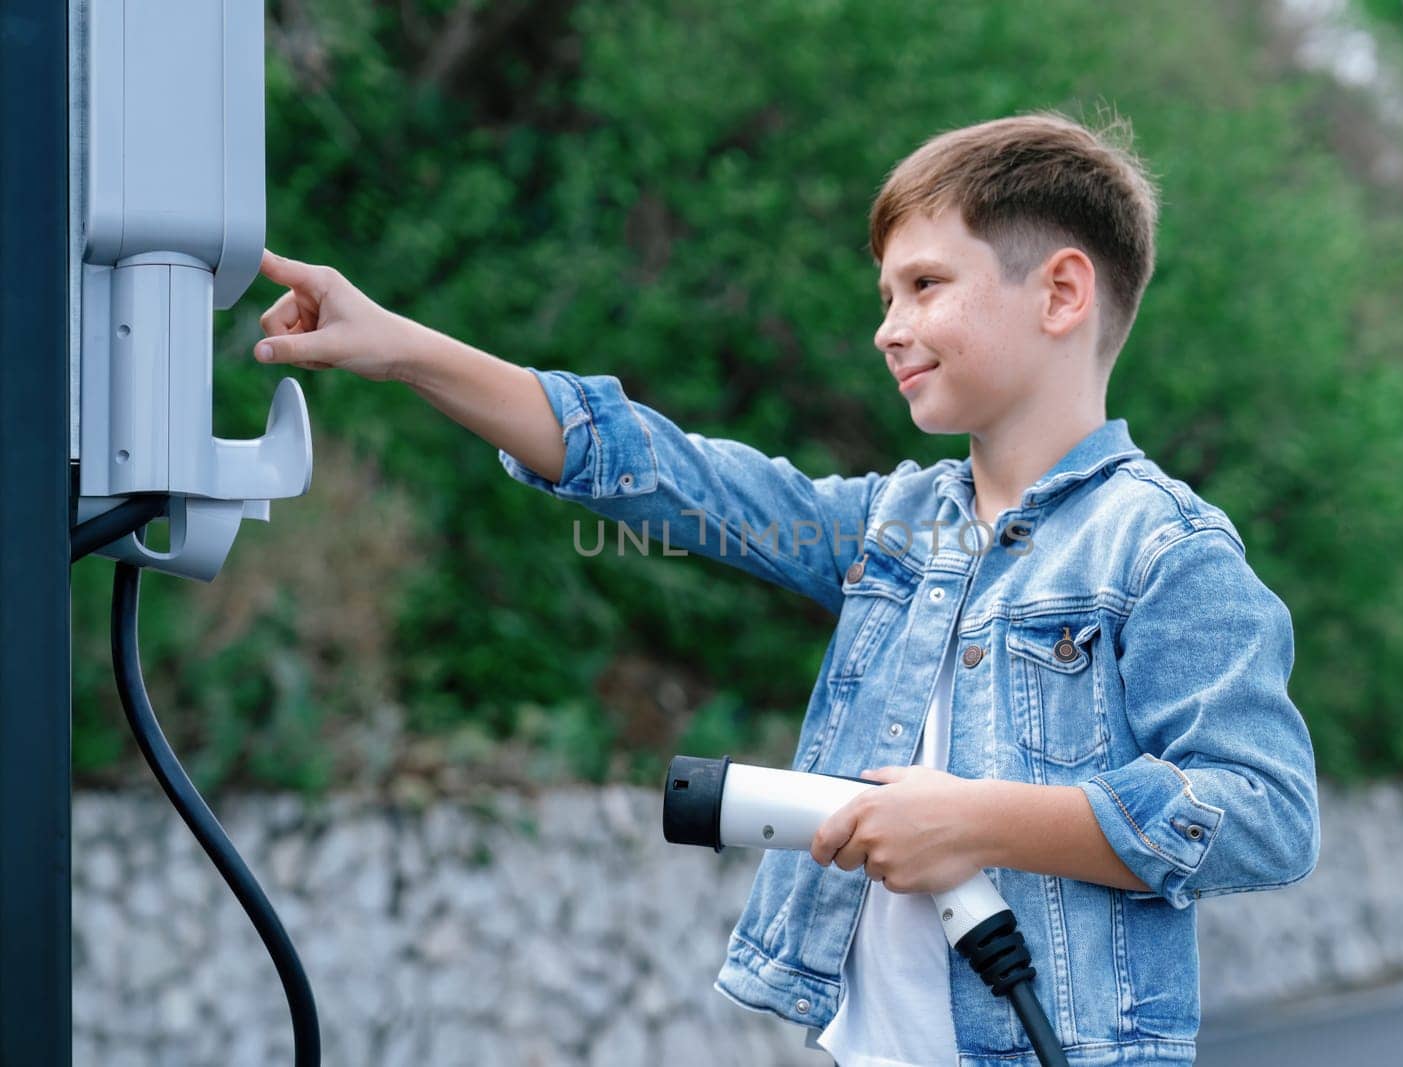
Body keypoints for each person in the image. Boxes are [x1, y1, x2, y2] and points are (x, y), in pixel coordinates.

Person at [254, 109, 1320, 1067]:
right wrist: (402, 349)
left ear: (1061, 291)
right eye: (885, 294)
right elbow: (664, 471)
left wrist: (979, 821)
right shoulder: (895, 525)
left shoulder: (1162, 548)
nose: (886, 326)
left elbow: (1264, 813)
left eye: (925, 285)